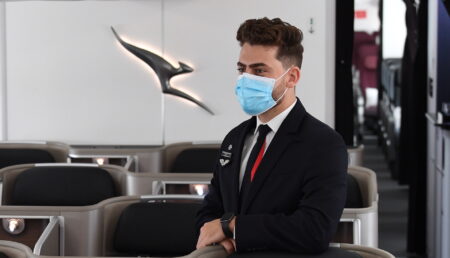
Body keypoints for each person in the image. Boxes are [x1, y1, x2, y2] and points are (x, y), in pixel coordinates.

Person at [196, 17, 348, 255]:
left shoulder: (324, 144)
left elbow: (315, 230)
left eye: (259, 70)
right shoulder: (235, 139)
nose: (246, 79)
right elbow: (210, 209)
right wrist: (219, 239)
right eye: (241, 69)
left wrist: (233, 227)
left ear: (292, 77)